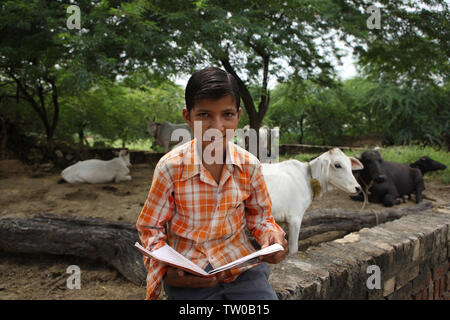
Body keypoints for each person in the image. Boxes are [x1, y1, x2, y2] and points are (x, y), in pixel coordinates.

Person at [136, 66, 287, 300]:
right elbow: (150, 228)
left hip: (241, 269)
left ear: (238, 115)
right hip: (189, 273)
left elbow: (260, 218)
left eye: (227, 115)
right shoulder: (170, 167)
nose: (217, 127)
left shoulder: (250, 165)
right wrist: (166, 271)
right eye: (204, 115)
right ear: (188, 117)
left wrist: (271, 237)